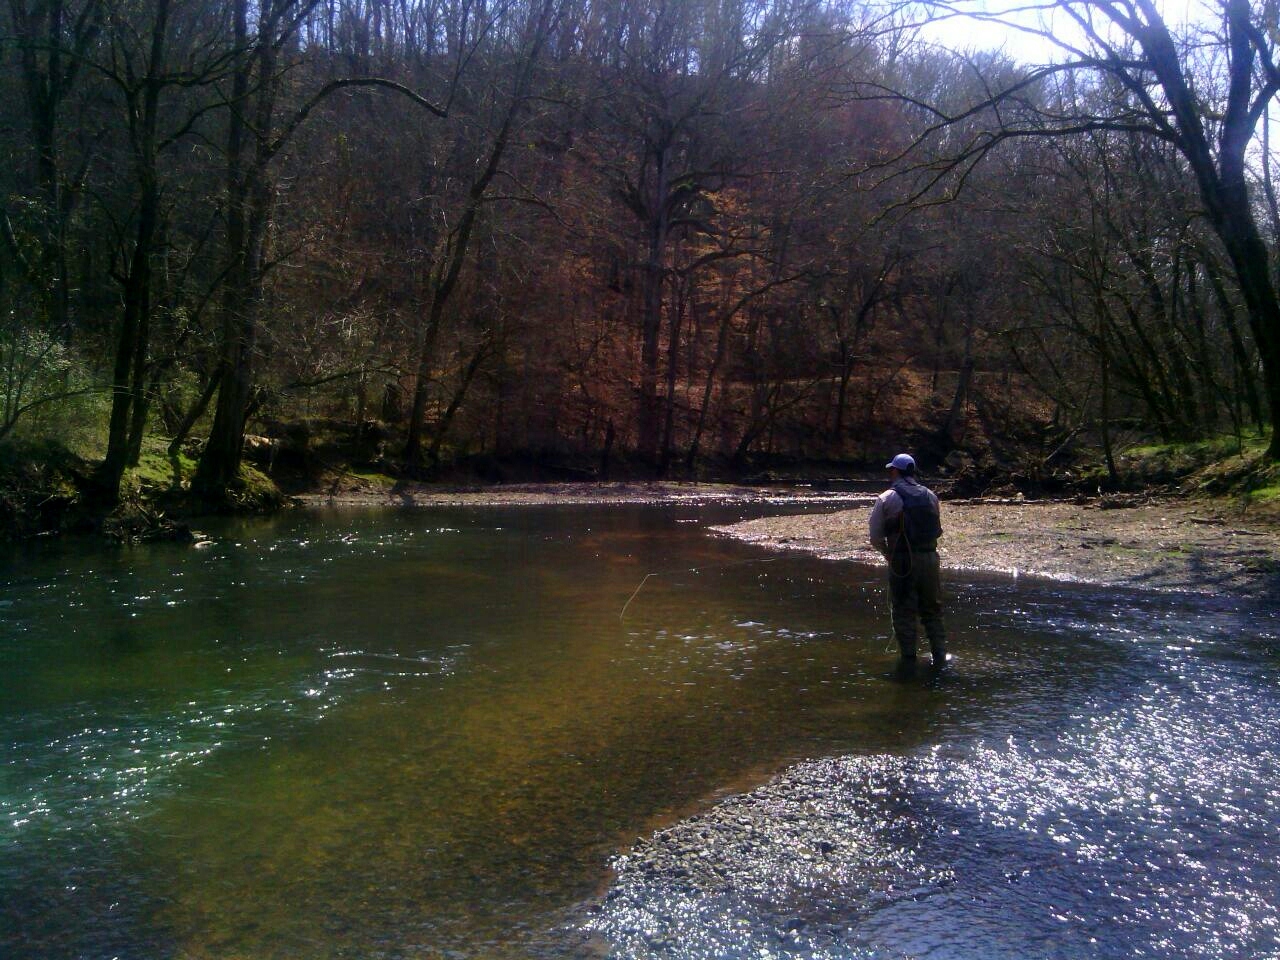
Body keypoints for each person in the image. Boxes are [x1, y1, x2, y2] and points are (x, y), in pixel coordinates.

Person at [868, 453, 948, 669]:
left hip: (903, 561)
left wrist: (888, 554)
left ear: (896, 471)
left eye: (891, 470)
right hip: (931, 558)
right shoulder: (931, 496)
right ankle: (940, 658)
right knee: (932, 611)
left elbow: (875, 537)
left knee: (904, 611)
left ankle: (908, 663)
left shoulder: (886, 497)